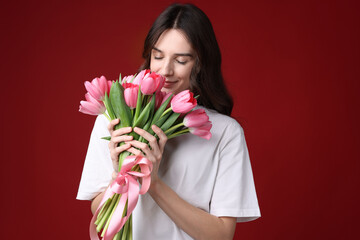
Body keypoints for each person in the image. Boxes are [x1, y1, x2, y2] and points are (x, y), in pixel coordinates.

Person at [77, 3, 261, 240]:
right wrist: (121, 174)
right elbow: (100, 212)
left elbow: (221, 235)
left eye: (181, 60)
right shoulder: (115, 119)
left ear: (201, 63)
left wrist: (152, 183)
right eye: (158, 56)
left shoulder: (225, 133)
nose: (165, 70)